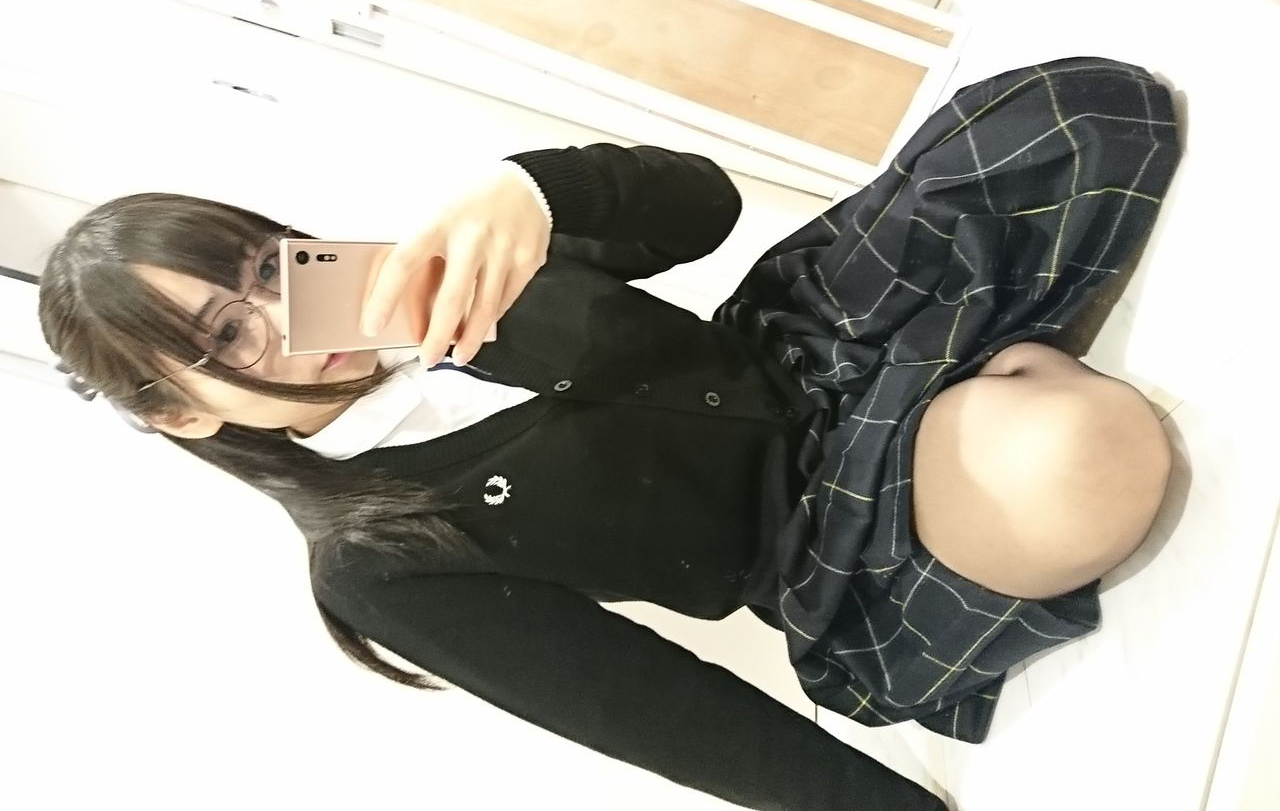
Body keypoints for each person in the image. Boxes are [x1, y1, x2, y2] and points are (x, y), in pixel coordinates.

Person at [39, 58, 1179, 811]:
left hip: (811, 336)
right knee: (1073, 456)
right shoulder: (374, 563)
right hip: (832, 540)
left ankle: (976, 371)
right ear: (181, 412)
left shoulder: (433, 279)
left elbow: (705, 206)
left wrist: (531, 189)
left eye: (263, 264)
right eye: (230, 334)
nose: (287, 314)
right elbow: (655, 713)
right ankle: (989, 370)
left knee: (1073, 110)